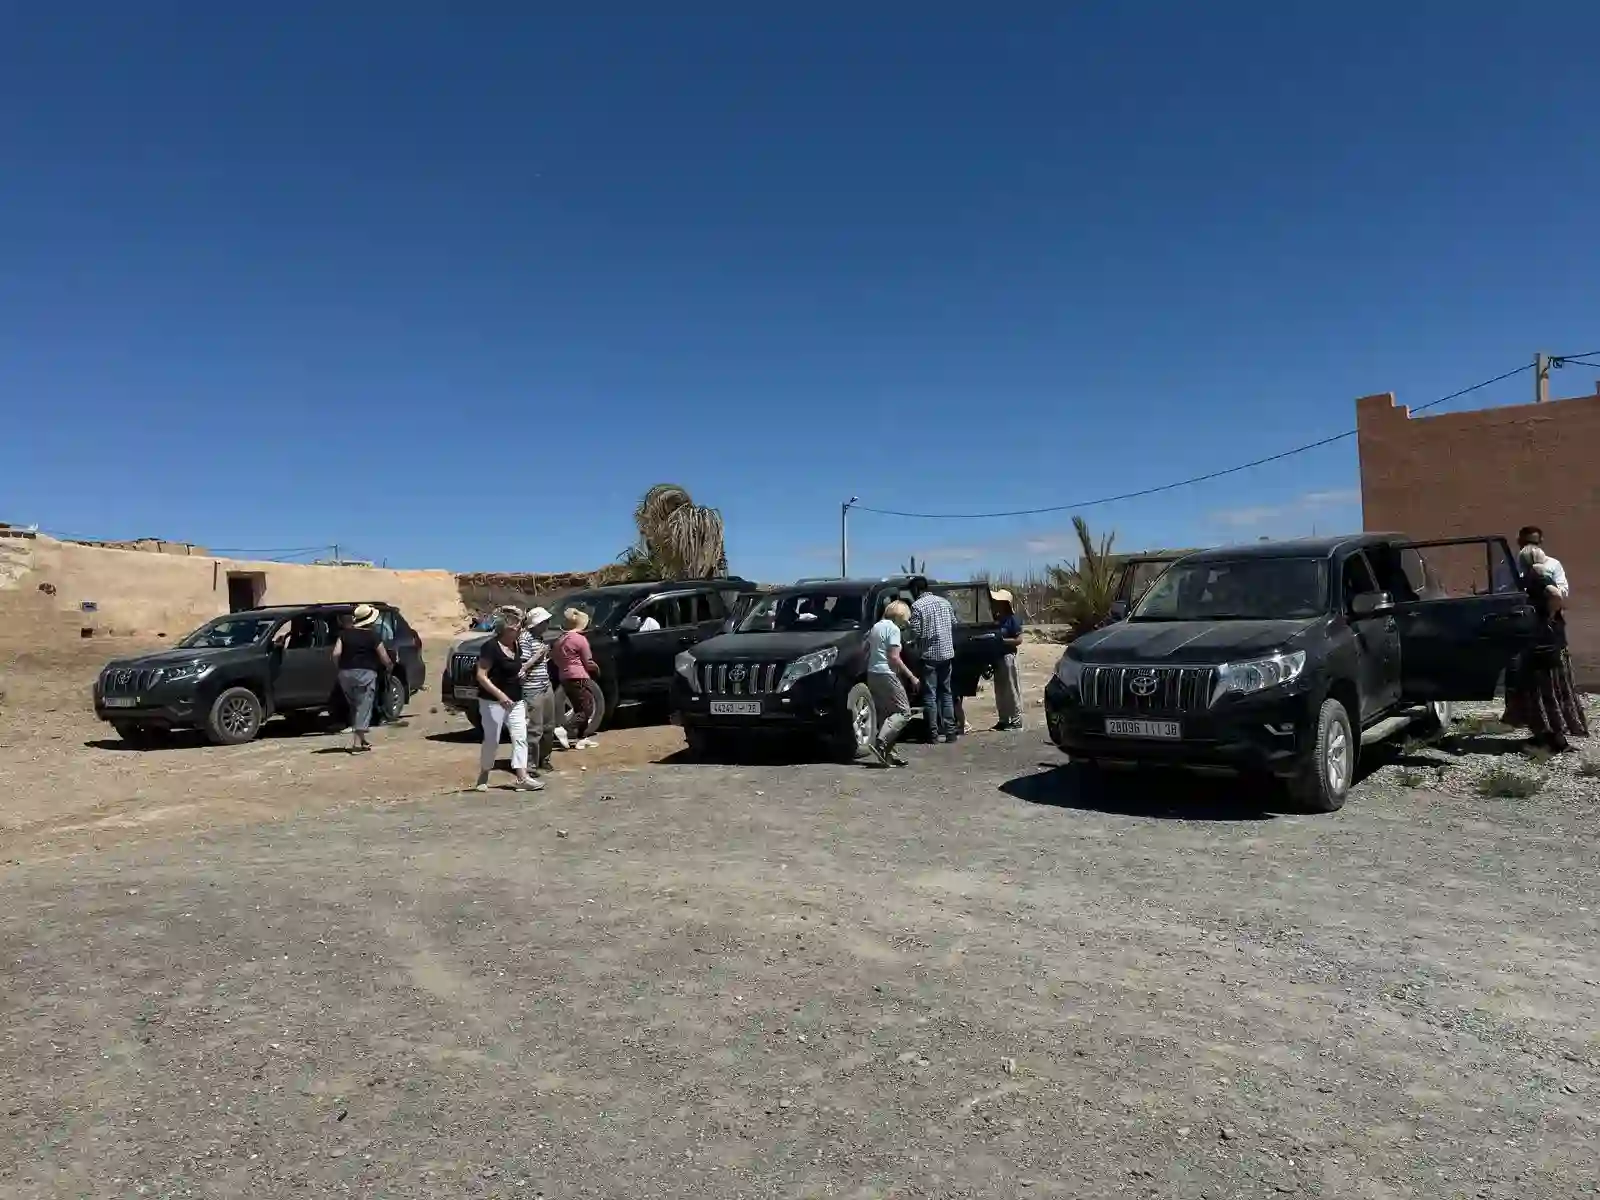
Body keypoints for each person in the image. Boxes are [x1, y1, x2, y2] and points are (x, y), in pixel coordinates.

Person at [1502, 545, 1588, 753]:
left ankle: (1550, 738)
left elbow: (1551, 595)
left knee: (1543, 690)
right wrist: (1551, 613)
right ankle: (1552, 738)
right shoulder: (1540, 576)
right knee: (1551, 689)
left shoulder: (1531, 578)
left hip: (1541, 642)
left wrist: (1549, 613)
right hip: (1548, 642)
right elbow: (1554, 595)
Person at [473, 607, 539, 791]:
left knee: (520, 737)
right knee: (492, 740)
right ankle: (484, 773)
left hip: (516, 700)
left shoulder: (516, 645)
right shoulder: (491, 647)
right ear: (506, 628)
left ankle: (522, 777)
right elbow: (481, 675)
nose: (520, 629)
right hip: (492, 701)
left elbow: (514, 669)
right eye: (517, 626)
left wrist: (521, 675)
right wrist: (500, 696)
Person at [329, 604, 391, 753]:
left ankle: (362, 740)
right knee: (364, 707)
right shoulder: (373, 636)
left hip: (345, 674)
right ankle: (356, 744)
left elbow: (336, 654)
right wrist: (389, 667)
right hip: (365, 674)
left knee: (356, 706)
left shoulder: (345, 634)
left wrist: (340, 668)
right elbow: (384, 657)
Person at [866, 600, 920, 767]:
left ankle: (888, 753)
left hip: (872, 673)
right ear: (901, 615)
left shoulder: (876, 627)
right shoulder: (894, 629)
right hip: (886, 673)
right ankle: (880, 742)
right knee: (904, 712)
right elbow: (894, 657)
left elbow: (867, 649)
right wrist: (911, 676)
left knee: (886, 713)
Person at [908, 578, 958, 742]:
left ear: (916, 590)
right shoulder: (945, 602)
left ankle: (932, 733)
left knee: (930, 695)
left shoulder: (917, 606)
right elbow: (954, 623)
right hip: (947, 654)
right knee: (946, 693)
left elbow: (915, 632)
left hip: (929, 656)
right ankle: (950, 732)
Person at [553, 607, 601, 750]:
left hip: (564, 675)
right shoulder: (580, 640)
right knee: (586, 709)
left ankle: (582, 738)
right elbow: (588, 661)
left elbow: (555, 658)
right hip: (579, 675)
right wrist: (596, 669)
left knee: (579, 707)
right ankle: (565, 729)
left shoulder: (560, 640)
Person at [517, 606, 558, 772]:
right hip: (532, 688)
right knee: (535, 728)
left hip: (545, 685)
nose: (548, 624)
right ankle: (531, 763)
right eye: (545, 621)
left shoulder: (539, 638)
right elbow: (522, 666)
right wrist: (538, 656)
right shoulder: (525, 638)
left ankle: (544, 758)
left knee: (549, 725)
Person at [990, 589, 1025, 731]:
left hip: (1008, 657)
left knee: (1011, 688)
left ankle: (1016, 719)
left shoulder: (1012, 619)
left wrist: (1002, 641)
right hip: (997, 658)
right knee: (1000, 690)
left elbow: (1019, 640)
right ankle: (1003, 719)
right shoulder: (996, 619)